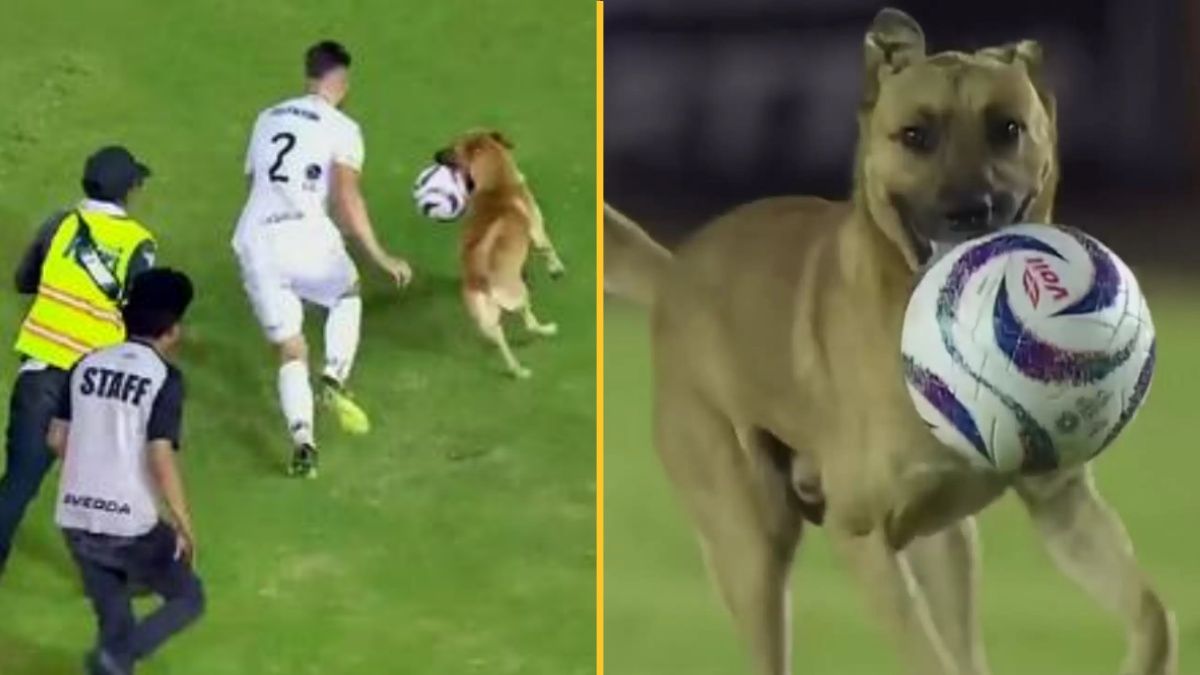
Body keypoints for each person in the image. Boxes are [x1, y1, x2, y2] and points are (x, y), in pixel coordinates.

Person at [232, 39, 411, 478]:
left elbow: (256, 181)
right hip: (304, 233)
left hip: (254, 239)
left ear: (309, 74)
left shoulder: (266, 117)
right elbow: (347, 198)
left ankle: (303, 445)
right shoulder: (342, 128)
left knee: (290, 347)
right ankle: (333, 377)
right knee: (346, 291)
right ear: (342, 81)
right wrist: (378, 255)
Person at [0, 146, 157, 575]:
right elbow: (141, 314)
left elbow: (24, 280)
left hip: (40, 374)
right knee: (105, 483)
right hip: (95, 384)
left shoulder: (59, 225)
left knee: (18, 482)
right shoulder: (138, 244)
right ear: (129, 190)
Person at [48, 268, 203, 675]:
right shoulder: (163, 378)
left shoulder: (85, 364)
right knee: (188, 598)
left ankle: (114, 657)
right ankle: (117, 656)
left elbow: (57, 439)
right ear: (171, 330)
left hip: (75, 516)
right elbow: (160, 455)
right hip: (129, 527)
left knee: (114, 620)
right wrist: (183, 523)